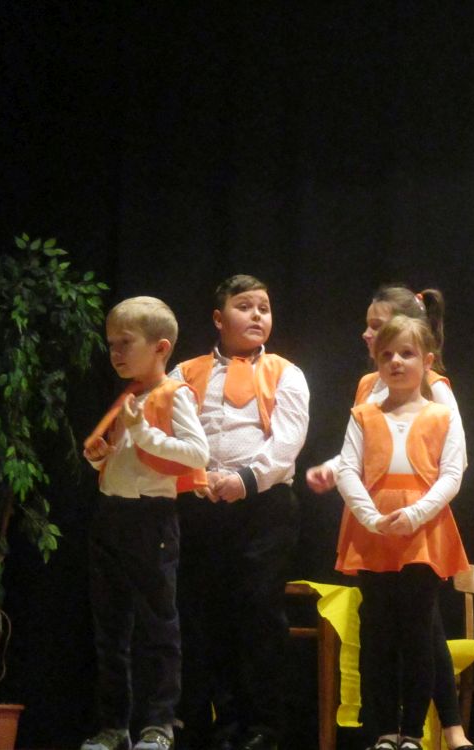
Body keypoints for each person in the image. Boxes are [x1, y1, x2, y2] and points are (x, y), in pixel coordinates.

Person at [307, 285, 474, 750]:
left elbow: (452, 467)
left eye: (404, 351)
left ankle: (417, 732)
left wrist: (417, 512)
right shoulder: (365, 403)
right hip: (374, 527)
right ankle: (384, 729)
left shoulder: (439, 404)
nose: (393, 359)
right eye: (384, 351)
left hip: (421, 526)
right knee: (378, 631)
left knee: (420, 631)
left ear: (425, 357)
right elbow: (356, 462)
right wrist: (366, 512)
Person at [171, 275, 310, 750]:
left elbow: (287, 442)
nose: (257, 315)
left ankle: (263, 728)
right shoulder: (185, 373)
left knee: (258, 613)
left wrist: (246, 479)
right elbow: (169, 429)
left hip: (263, 509)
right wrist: (199, 477)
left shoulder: (286, 372)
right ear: (218, 318)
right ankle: (220, 725)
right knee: (205, 616)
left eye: (264, 308)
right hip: (201, 505)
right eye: (245, 306)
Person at [82, 296, 210, 750]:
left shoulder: (174, 394)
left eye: (125, 342)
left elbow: (197, 454)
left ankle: (159, 724)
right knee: (110, 630)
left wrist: (141, 432)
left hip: (150, 519)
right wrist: (102, 456)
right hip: (110, 517)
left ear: (160, 347)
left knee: (159, 626)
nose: (115, 352)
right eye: (111, 344)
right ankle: (114, 726)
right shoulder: (129, 396)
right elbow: (125, 458)